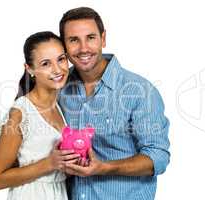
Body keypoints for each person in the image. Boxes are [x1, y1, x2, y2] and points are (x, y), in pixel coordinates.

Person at [58, 7, 171, 200]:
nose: (83, 48)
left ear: (103, 39)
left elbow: (158, 157)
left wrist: (104, 167)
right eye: (74, 40)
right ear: (64, 46)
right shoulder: (58, 89)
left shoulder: (139, 91)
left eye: (91, 37)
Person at [0, 31, 80, 200]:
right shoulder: (20, 113)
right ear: (30, 69)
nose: (58, 69)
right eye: (46, 63)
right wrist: (49, 163)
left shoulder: (59, 107)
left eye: (61, 59)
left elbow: (54, 168)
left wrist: (69, 165)